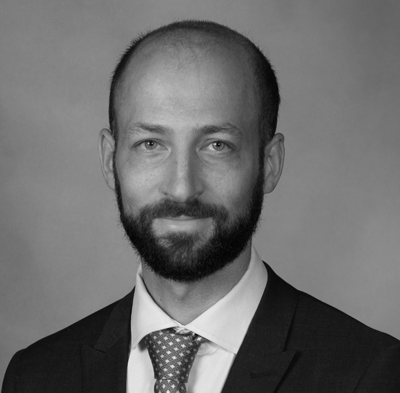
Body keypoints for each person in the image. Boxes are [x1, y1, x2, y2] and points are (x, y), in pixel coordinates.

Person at [2, 20, 400, 393]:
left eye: (217, 146)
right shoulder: (35, 376)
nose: (182, 189)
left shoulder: (371, 373)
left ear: (270, 163)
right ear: (110, 160)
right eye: (151, 144)